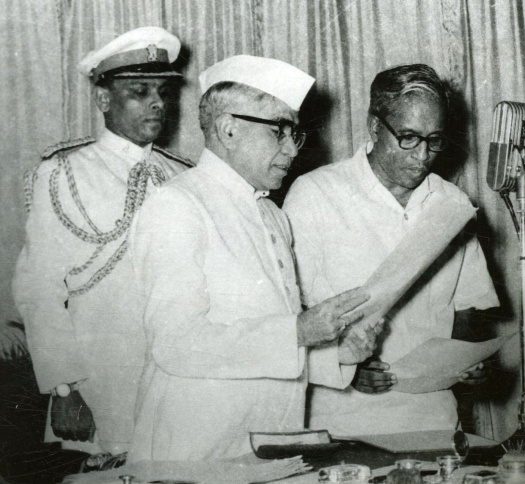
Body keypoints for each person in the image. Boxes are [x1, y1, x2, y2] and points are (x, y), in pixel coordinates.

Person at [127, 55, 379, 462]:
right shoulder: (178, 205)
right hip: (196, 453)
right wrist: (298, 331)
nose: (293, 148)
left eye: (295, 134)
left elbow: (266, 348)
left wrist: (337, 352)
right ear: (229, 129)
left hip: (268, 446)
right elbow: (176, 344)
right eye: (280, 131)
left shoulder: (272, 216)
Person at [283, 64, 500, 436]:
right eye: (409, 138)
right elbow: (287, 316)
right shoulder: (314, 194)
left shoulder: (451, 202)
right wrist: (344, 368)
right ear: (374, 126)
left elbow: (468, 307)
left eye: (435, 140)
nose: (423, 156)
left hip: (435, 420)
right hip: (340, 420)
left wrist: (468, 361)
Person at [12, 27, 193, 455]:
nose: (157, 102)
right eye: (139, 90)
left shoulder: (184, 176)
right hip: (103, 383)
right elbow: (40, 289)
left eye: (163, 91)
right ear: (104, 99)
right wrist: (63, 389)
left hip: (181, 380)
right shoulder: (64, 173)